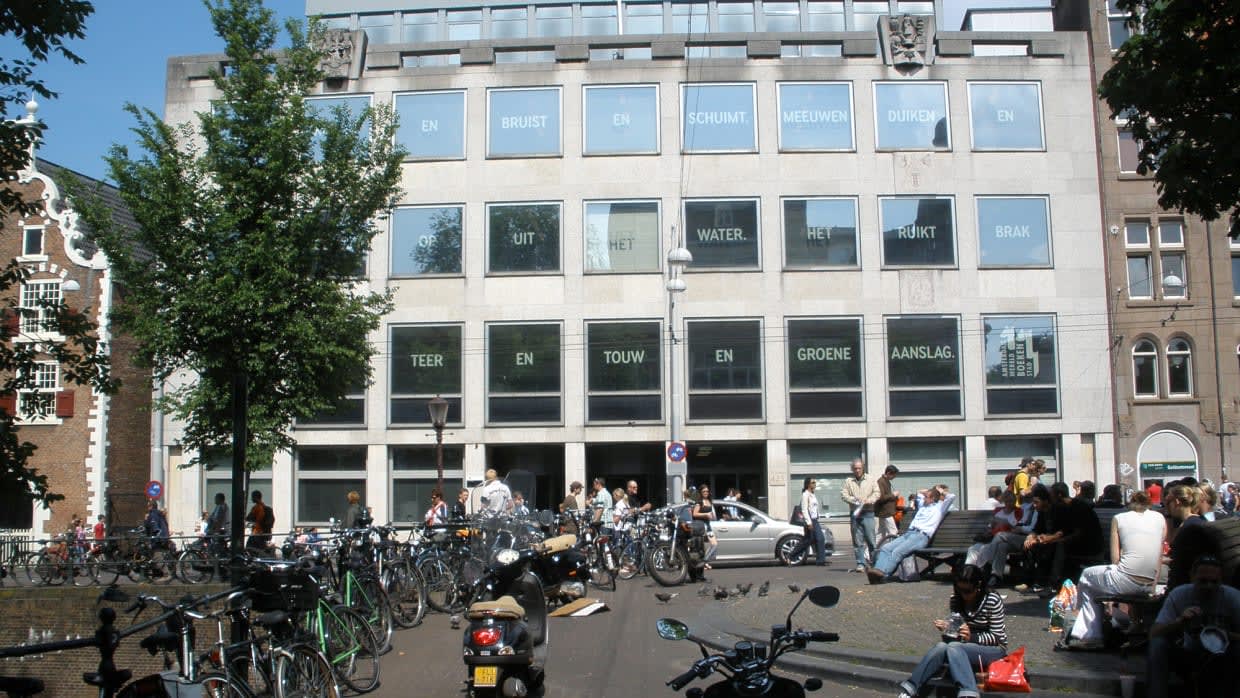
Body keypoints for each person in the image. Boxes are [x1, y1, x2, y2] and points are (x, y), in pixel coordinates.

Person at [1058, 490, 1165, 650]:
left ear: (1129, 504)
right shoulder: (1159, 518)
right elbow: (1158, 554)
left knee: (1087, 576)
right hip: (1149, 582)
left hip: (1125, 579)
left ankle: (1090, 633)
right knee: (1095, 583)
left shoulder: (1120, 518)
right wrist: (1152, 584)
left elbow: (1115, 558)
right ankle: (1129, 624)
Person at [896, 564, 1008, 698]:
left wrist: (971, 637)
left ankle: (968, 693)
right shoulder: (956, 599)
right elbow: (953, 639)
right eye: (960, 589)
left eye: (968, 591)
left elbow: (997, 637)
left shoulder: (992, 600)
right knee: (941, 646)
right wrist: (949, 629)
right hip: (961, 647)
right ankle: (909, 689)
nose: (964, 594)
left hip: (993, 649)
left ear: (978, 585)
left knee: (954, 647)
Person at [1146, 555, 1240, 698]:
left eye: (1214, 582)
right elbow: (1154, 633)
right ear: (1192, 577)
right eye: (1203, 581)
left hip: (1222, 657)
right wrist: (1179, 621)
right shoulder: (1179, 594)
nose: (1209, 586)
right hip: (1188, 655)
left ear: (1222, 580)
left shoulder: (1233, 597)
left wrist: (1225, 635)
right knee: (1158, 645)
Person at [1017, 482, 1102, 593]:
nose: (1050, 498)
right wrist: (1044, 537)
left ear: (1059, 495)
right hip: (1076, 541)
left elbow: (1077, 533)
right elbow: (1063, 530)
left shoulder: (1077, 507)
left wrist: (1053, 538)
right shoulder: (1063, 507)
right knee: (1039, 544)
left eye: (1052, 495)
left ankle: (1053, 584)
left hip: (1089, 544)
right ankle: (1037, 581)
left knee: (1058, 545)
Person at [867, 485, 956, 584]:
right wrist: (929, 490)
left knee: (897, 552)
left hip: (921, 536)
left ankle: (883, 574)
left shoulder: (940, 508)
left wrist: (941, 492)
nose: (924, 498)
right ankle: (877, 571)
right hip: (909, 534)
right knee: (886, 548)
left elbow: (951, 497)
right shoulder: (923, 505)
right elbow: (918, 492)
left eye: (927, 497)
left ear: (933, 499)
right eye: (925, 496)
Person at [965, 490, 1037, 588]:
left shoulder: (1019, 511)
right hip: (994, 539)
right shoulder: (998, 511)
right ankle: (990, 576)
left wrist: (1008, 524)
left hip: (1010, 537)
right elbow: (990, 527)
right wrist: (992, 525)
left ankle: (987, 564)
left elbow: (1019, 527)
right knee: (974, 549)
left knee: (998, 537)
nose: (1009, 504)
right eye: (1007, 501)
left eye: (1011, 501)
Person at [1163, 484, 1207, 591]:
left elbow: (1183, 560)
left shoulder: (1189, 527)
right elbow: (1170, 541)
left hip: (1186, 586)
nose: (1167, 506)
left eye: (1169, 502)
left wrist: (1163, 560)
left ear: (1177, 502)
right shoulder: (1194, 522)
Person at [842, 458, 879, 572]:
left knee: (871, 540)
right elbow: (844, 494)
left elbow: (877, 493)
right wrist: (854, 500)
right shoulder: (849, 481)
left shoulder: (871, 479)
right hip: (855, 514)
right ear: (852, 469)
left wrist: (870, 500)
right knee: (857, 541)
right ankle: (860, 564)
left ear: (863, 468)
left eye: (859, 468)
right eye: (855, 468)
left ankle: (874, 563)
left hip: (868, 512)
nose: (857, 470)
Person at [790, 478, 827, 566]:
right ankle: (820, 560)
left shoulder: (812, 494)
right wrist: (809, 522)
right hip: (810, 520)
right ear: (808, 484)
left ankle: (791, 556)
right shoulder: (805, 495)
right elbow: (804, 510)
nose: (815, 484)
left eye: (815, 482)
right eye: (813, 482)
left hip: (815, 519)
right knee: (820, 539)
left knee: (809, 540)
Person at [693, 484, 719, 565]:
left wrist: (712, 516)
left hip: (708, 525)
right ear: (700, 492)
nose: (706, 493)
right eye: (704, 491)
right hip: (701, 526)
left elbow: (711, 513)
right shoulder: (699, 502)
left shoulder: (709, 501)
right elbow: (695, 514)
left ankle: (704, 562)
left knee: (714, 545)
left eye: (707, 491)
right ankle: (702, 563)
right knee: (702, 548)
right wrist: (706, 515)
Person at [874, 465, 901, 540]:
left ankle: (870, 551)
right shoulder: (881, 481)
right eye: (894, 475)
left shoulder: (885, 481)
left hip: (883, 512)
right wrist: (893, 495)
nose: (894, 477)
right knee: (893, 532)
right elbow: (881, 498)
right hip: (885, 512)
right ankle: (891, 549)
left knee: (880, 534)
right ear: (889, 473)